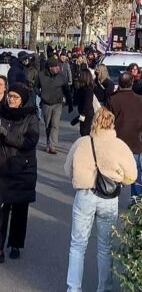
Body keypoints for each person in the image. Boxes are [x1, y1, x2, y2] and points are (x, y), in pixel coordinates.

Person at [64, 107, 137, 292]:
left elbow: (67, 169)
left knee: (78, 245)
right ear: (112, 124)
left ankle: (73, 288)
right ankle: (104, 287)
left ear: (94, 122)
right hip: (109, 199)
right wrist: (120, 177)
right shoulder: (119, 145)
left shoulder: (82, 143)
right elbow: (132, 175)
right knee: (105, 247)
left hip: (85, 195)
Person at [0, 83, 39, 263]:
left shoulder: (31, 117)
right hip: (2, 168)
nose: (11, 99)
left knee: (19, 210)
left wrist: (7, 135)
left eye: (15, 97)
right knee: (0, 210)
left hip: (22, 170)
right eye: (10, 96)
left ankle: (16, 244)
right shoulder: (1, 113)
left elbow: (30, 141)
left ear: (23, 100)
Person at [107, 72, 142, 204]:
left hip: (118, 142)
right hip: (137, 141)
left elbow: (107, 122)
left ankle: (111, 196)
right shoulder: (139, 100)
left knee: (114, 171)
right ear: (132, 83)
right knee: (136, 171)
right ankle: (137, 199)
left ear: (120, 84)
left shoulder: (113, 100)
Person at [35, 57, 73, 154]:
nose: (58, 68)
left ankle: (53, 145)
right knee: (48, 124)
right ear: (50, 68)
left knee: (55, 124)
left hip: (57, 103)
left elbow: (67, 90)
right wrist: (40, 94)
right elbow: (35, 86)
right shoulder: (41, 75)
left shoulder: (61, 76)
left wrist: (70, 103)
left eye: (58, 66)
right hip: (46, 103)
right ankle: (48, 143)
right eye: (55, 66)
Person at [75, 69, 94, 136]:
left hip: (86, 114)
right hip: (84, 113)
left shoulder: (87, 89)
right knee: (83, 131)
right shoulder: (82, 88)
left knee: (85, 132)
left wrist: (83, 114)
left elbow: (87, 103)